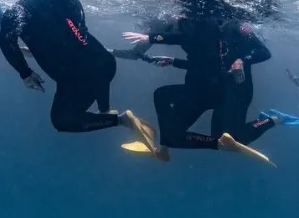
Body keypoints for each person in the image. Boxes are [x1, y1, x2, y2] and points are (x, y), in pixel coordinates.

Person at [0, 0, 159, 154]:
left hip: (76, 77)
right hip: (104, 64)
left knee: (62, 120)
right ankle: (107, 111)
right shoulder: (72, 2)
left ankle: (121, 120)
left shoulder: (18, 10)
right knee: (95, 76)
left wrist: (26, 73)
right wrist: (37, 50)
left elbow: (6, 42)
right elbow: (74, 38)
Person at [116, 17, 286, 163]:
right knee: (167, 114)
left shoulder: (232, 27)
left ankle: (272, 120)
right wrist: (173, 60)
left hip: (231, 92)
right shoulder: (196, 33)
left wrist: (241, 60)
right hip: (205, 90)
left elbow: (263, 52)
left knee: (234, 137)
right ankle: (166, 147)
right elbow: (202, 62)